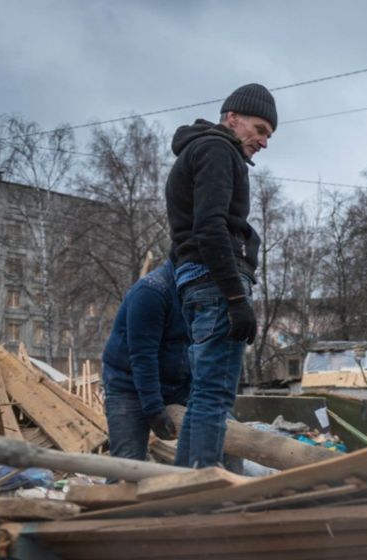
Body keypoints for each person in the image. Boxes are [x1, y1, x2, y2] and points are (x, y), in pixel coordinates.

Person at [166, 83, 276, 468]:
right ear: (233, 118)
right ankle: (204, 501)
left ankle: (184, 491)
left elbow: (185, 236)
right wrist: (235, 298)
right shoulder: (216, 150)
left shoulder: (197, 151)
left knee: (202, 397)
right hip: (216, 285)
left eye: (268, 135)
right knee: (214, 398)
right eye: (259, 129)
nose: (263, 141)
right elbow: (209, 226)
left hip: (199, 283)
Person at [101, 261, 190, 460]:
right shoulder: (152, 291)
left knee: (223, 442)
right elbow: (143, 356)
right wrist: (154, 409)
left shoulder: (197, 291)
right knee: (126, 467)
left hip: (176, 385)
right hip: (128, 385)